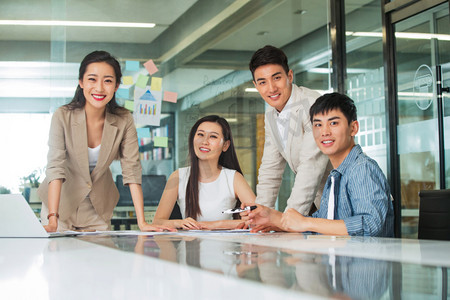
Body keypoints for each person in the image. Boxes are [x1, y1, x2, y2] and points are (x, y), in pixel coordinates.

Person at [38, 50, 174, 233]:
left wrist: (142, 222)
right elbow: (55, 166)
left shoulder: (124, 119)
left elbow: (132, 169)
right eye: (92, 79)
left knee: (100, 259)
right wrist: (53, 218)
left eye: (108, 81)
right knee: (58, 259)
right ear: (81, 82)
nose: (100, 88)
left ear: (117, 86)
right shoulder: (63, 116)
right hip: (61, 204)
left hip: (98, 207)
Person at [245, 93, 394, 237]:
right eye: (318, 125)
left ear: (353, 128)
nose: (324, 132)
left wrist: (305, 222)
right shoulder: (336, 176)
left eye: (333, 123)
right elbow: (325, 224)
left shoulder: (361, 169)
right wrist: (278, 221)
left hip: (367, 262)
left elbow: (370, 224)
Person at [249, 45, 331, 219]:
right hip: (323, 202)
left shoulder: (312, 104)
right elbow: (270, 168)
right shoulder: (271, 114)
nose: (271, 88)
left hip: (353, 199)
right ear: (256, 85)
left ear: (290, 76)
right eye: (263, 82)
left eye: (276, 78)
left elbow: (311, 166)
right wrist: (260, 213)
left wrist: (288, 220)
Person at [152, 115, 256, 230]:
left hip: (226, 247)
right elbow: (157, 222)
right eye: (200, 134)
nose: (205, 141)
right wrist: (179, 223)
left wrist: (212, 225)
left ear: (225, 145)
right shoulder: (178, 176)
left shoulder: (233, 178)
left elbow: (258, 219)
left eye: (213, 136)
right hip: (189, 246)